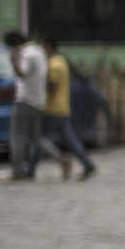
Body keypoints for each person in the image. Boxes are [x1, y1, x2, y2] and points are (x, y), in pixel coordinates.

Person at [0, 29, 63, 184]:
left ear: (15, 43)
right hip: (39, 102)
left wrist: (13, 60)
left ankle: (17, 171)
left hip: (24, 101)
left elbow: (22, 73)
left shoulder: (26, 54)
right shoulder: (38, 50)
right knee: (35, 137)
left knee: (17, 137)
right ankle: (60, 158)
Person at [38, 34, 95, 181]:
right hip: (62, 106)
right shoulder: (61, 61)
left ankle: (31, 168)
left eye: (42, 45)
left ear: (48, 46)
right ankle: (87, 163)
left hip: (53, 108)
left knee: (38, 138)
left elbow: (52, 88)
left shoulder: (53, 65)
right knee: (67, 138)